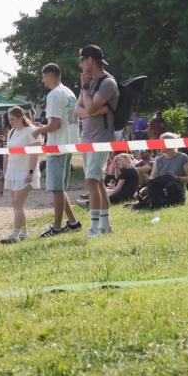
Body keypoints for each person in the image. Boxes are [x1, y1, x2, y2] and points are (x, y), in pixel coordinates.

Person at [74, 45, 119, 237]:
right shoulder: (90, 82)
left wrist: (85, 91)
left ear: (90, 60)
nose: (80, 64)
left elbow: (90, 107)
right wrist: (90, 112)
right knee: (97, 182)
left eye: (81, 59)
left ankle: (94, 227)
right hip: (87, 138)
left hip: (101, 139)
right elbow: (78, 110)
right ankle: (105, 225)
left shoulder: (107, 83)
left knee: (92, 181)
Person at [34, 63, 82, 237]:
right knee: (60, 188)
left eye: (43, 77)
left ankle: (56, 227)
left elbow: (55, 124)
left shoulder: (54, 95)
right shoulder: (69, 92)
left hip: (58, 145)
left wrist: (39, 130)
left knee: (56, 188)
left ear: (50, 75)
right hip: (70, 143)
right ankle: (73, 222)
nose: (43, 80)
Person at [0, 106, 41, 244]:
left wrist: (30, 171)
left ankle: (14, 235)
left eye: (12, 119)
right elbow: (7, 153)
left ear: (21, 117)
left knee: (17, 203)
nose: (10, 122)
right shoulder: (11, 132)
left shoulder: (32, 131)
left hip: (25, 170)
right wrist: (5, 171)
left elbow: (35, 153)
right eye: (9, 119)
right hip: (12, 170)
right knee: (16, 204)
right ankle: (23, 233)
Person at [133, 134, 188, 209]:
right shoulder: (159, 160)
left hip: (177, 194)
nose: (159, 145)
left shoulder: (183, 157)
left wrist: (177, 178)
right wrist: (143, 191)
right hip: (160, 193)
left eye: (161, 143)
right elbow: (152, 180)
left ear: (169, 144)